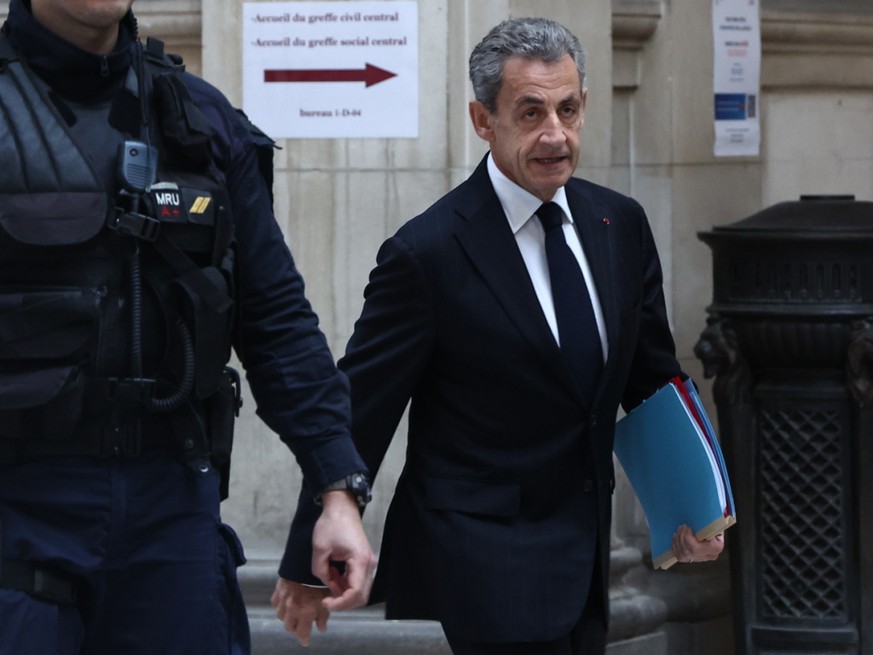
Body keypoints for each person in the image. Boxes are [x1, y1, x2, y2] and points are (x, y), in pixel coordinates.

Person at [274, 15, 724, 655]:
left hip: (585, 561)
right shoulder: (426, 253)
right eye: (531, 112)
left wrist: (695, 503)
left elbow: (652, 375)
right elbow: (361, 405)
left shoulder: (616, 224)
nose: (555, 135)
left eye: (568, 110)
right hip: (477, 565)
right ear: (483, 121)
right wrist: (303, 556)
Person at [0, 1, 376, 653]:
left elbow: (276, 318)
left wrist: (336, 484)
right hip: (21, 514)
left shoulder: (200, 119)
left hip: (172, 519)